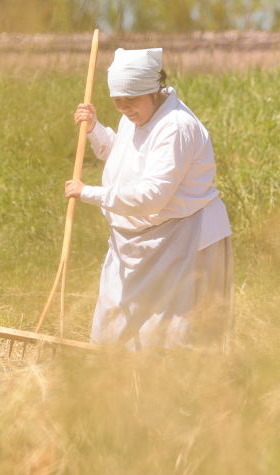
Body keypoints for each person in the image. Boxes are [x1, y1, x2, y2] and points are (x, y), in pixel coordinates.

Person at [65, 48, 233, 350]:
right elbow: (125, 156)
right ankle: (113, 390)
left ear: (153, 91)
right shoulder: (136, 116)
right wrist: (94, 130)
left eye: (131, 102)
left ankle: (166, 394)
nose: (125, 109)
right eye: (118, 102)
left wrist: (88, 192)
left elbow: (152, 195)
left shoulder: (177, 127)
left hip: (180, 236)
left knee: (168, 335)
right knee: (115, 323)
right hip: (136, 241)